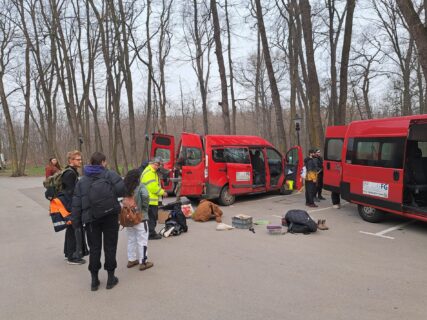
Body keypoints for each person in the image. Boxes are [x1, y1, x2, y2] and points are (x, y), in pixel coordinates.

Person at [71, 152, 126, 291]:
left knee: (94, 249)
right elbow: (122, 190)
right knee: (110, 247)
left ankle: (94, 281)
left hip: (91, 219)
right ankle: (110, 279)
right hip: (110, 217)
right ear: (102, 162)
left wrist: (76, 222)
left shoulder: (82, 180)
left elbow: (76, 203)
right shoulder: (110, 174)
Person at [123, 169, 154, 271]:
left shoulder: (125, 187)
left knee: (131, 239)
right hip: (140, 217)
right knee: (142, 239)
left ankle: (131, 259)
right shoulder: (140, 186)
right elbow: (145, 196)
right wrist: (144, 208)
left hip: (128, 218)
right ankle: (143, 262)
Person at [60, 150, 87, 265]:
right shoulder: (70, 174)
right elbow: (70, 193)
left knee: (71, 230)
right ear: (71, 160)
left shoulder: (71, 172)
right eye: (78, 159)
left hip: (71, 206)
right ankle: (73, 256)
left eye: (80, 159)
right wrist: (74, 209)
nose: (80, 161)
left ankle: (69, 253)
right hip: (71, 207)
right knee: (74, 230)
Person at [140, 157, 167, 240]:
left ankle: (149, 232)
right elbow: (153, 187)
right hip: (150, 200)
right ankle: (151, 234)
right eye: (156, 164)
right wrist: (163, 192)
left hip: (149, 199)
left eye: (158, 165)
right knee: (152, 217)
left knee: (150, 217)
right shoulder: (149, 173)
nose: (157, 166)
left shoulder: (151, 171)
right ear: (151, 163)